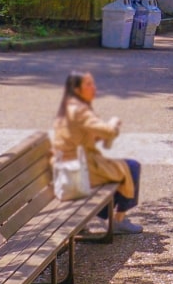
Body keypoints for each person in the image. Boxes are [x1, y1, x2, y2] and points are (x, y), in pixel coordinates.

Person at [50, 71, 144, 233]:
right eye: (88, 84)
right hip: (80, 168)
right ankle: (117, 220)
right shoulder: (78, 110)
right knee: (132, 167)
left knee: (125, 169)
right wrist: (114, 123)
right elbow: (107, 131)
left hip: (74, 164)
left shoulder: (70, 107)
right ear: (77, 89)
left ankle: (103, 215)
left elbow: (87, 136)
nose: (94, 87)